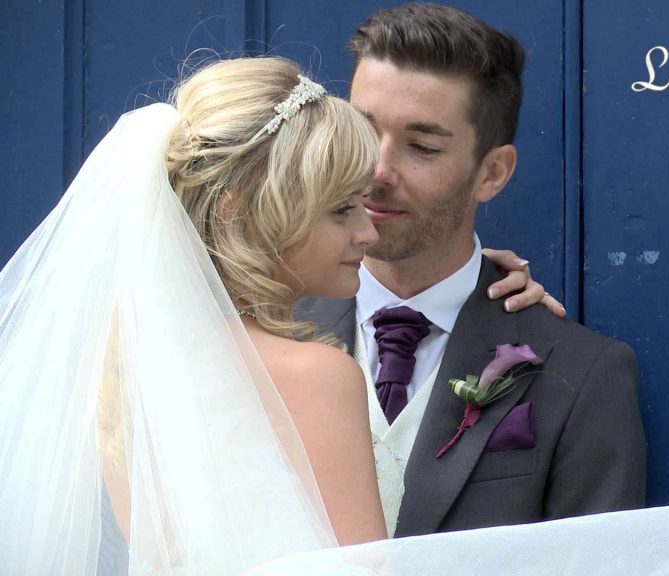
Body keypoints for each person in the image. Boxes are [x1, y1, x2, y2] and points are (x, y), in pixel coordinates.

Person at [0, 54, 553, 575]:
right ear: (240, 212)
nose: (366, 230)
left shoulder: (122, 369)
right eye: (340, 210)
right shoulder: (316, 374)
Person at [297, 3, 647, 537]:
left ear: (492, 173)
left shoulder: (584, 375)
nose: (377, 171)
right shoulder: (262, 334)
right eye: (361, 131)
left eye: (422, 146)